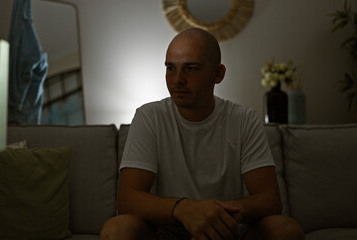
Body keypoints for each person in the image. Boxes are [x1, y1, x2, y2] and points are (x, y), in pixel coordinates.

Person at [100, 28, 305, 240]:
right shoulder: (149, 117)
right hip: (166, 232)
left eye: (190, 68)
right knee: (117, 230)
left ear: (218, 74)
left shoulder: (243, 118)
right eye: (171, 68)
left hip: (227, 231)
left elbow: (270, 200)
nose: (177, 79)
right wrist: (184, 209)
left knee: (285, 229)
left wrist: (213, 215)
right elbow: (127, 200)